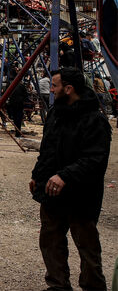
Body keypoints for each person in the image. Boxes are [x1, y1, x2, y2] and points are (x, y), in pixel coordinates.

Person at [30, 67, 111, 291]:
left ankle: (93, 287)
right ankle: (57, 286)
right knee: (51, 242)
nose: (52, 90)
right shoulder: (56, 114)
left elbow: (95, 160)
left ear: (69, 88)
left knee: (87, 247)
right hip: (51, 194)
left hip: (81, 196)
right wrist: (37, 175)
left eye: (55, 86)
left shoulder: (95, 121)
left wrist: (65, 176)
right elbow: (47, 149)